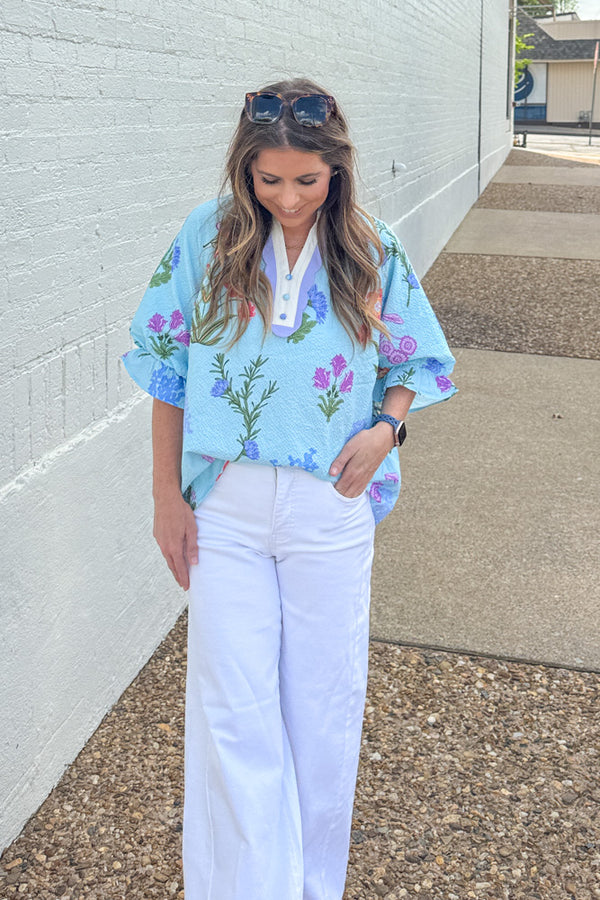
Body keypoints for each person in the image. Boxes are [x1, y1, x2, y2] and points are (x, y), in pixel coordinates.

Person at [121, 77, 457, 900]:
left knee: (323, 711)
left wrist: (387, 430)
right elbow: (167, 369)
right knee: (232, 716)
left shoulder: (371, 246)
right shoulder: (207, 237)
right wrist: (167, 496)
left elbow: (414, 359)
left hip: (328, 508)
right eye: (268, 180)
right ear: (245, 169)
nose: (289, 198)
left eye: (306, 180)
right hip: (226, 510)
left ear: (335, 167)